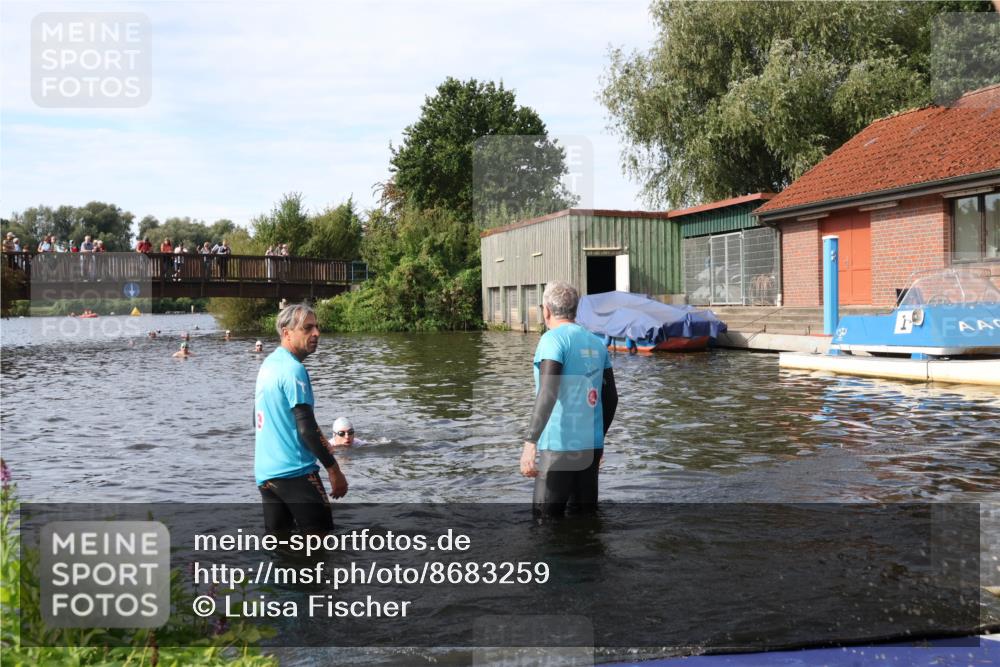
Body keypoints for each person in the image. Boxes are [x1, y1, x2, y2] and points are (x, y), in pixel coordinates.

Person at [519, 281, 618, 517]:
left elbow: (548, 391)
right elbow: (611, 398)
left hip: (558, 447)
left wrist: (530, 443)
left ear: (546, 310)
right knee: (585, 523)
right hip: (590, 447)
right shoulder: (597, 343)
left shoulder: (552, 340)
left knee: (544, 523)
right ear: (576, 310)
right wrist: (599, 440)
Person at [254, 303, 347, 534]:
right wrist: (334, 470)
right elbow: (305, 428)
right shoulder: (294, 369)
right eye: (307, 328)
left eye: (316, 327)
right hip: (296, 473)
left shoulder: (269, 364)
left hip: (266, 475)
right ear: (287, 333)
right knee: (322, 546)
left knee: (282, 551)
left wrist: (320, 438)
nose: (316, 333)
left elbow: (268, 418)